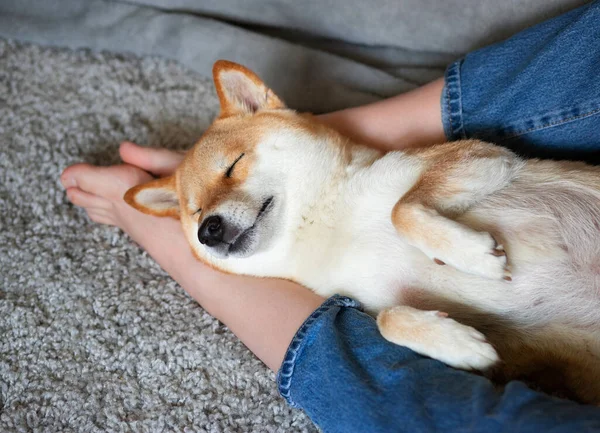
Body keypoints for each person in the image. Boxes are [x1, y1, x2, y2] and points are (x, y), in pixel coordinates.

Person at [60, 1, 600, 432]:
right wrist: (400, 322)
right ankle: (205, 241)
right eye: (198, 217)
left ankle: (332, 144)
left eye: (232, 168)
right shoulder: (353, 294)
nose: (213, 217)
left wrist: (415, 213)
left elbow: (489, 162)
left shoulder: (386, 183)